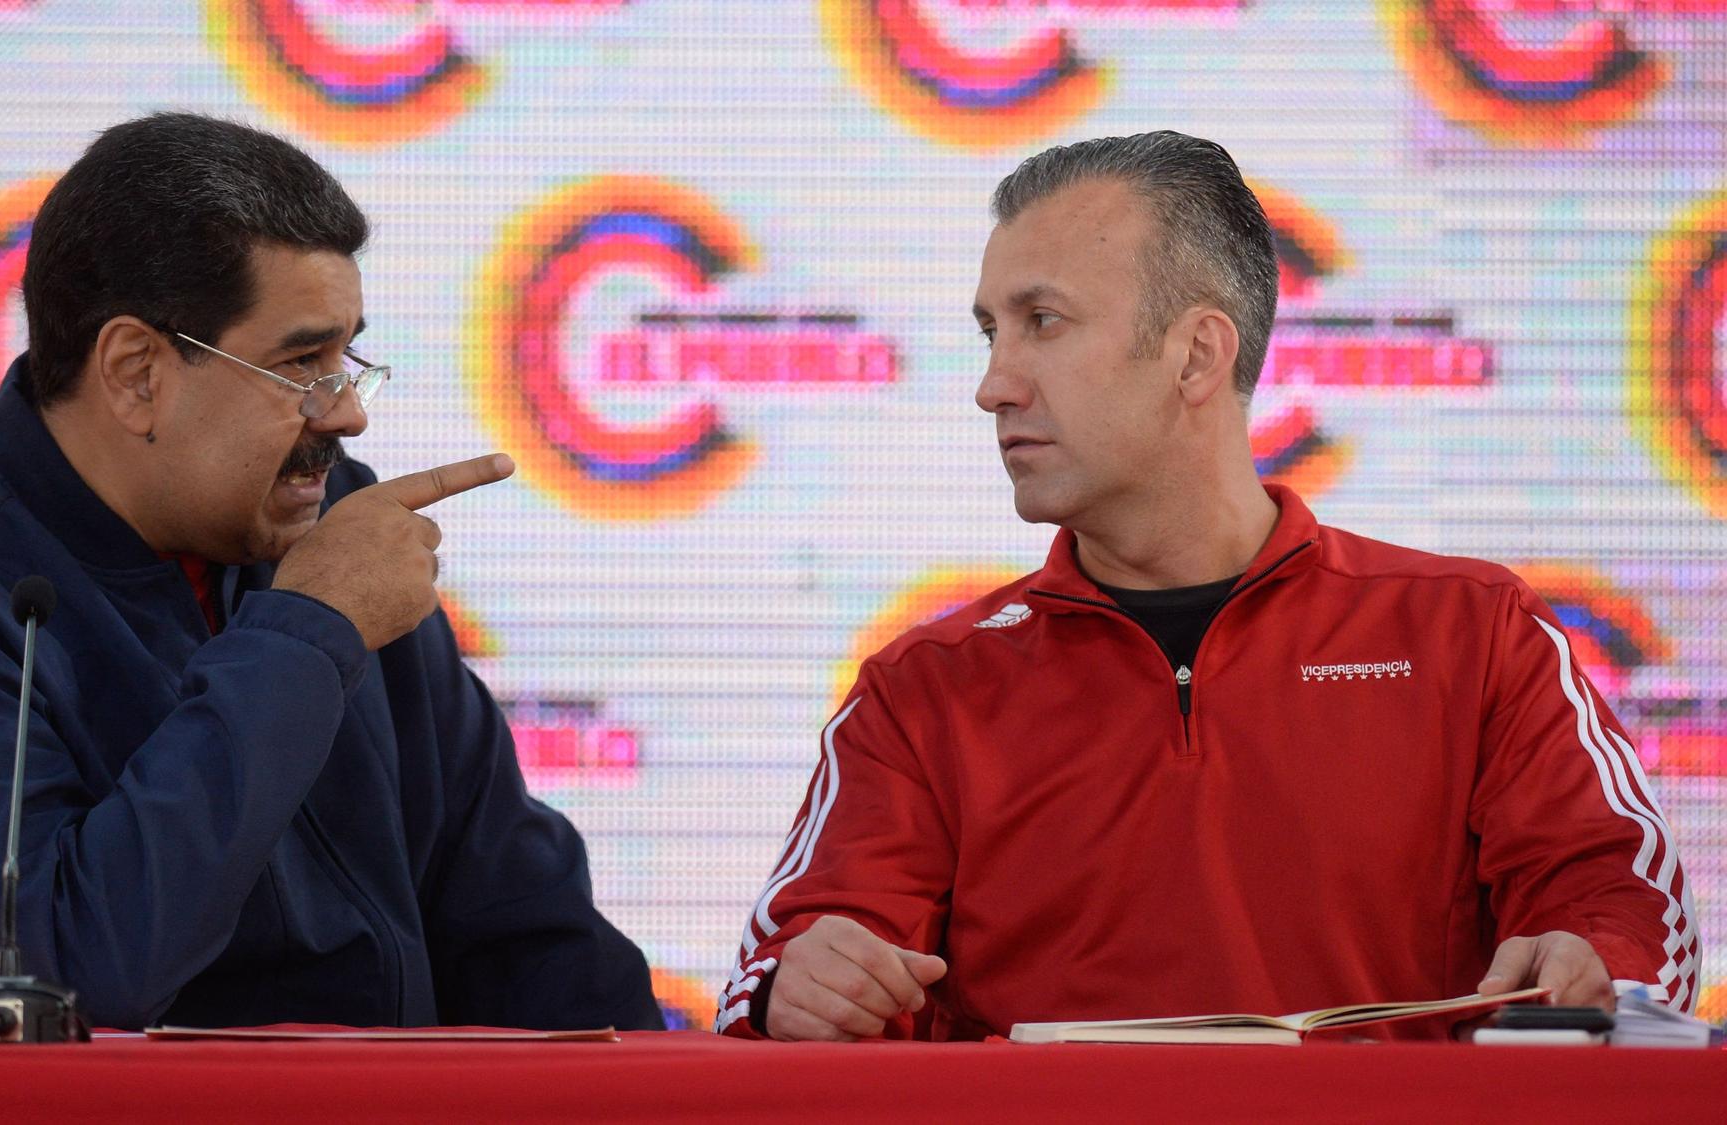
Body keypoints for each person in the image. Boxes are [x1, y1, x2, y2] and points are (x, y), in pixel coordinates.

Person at [715, 131, 1699, 1042]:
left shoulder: (1472, 633)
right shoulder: (923, 689)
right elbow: (785, 975)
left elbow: (1618, 904)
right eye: (989, 331)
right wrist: (797, 991)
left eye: (1040, 323)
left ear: (1195, 354)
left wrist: (1594, 965)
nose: (993, 383)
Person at [0, 112, 662, 1031]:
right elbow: (86, 970)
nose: (347, 416)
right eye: (302, 362)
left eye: (350, 358)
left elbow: (520, 925)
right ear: (137, 371)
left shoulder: (332, 531)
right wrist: (307, 634)